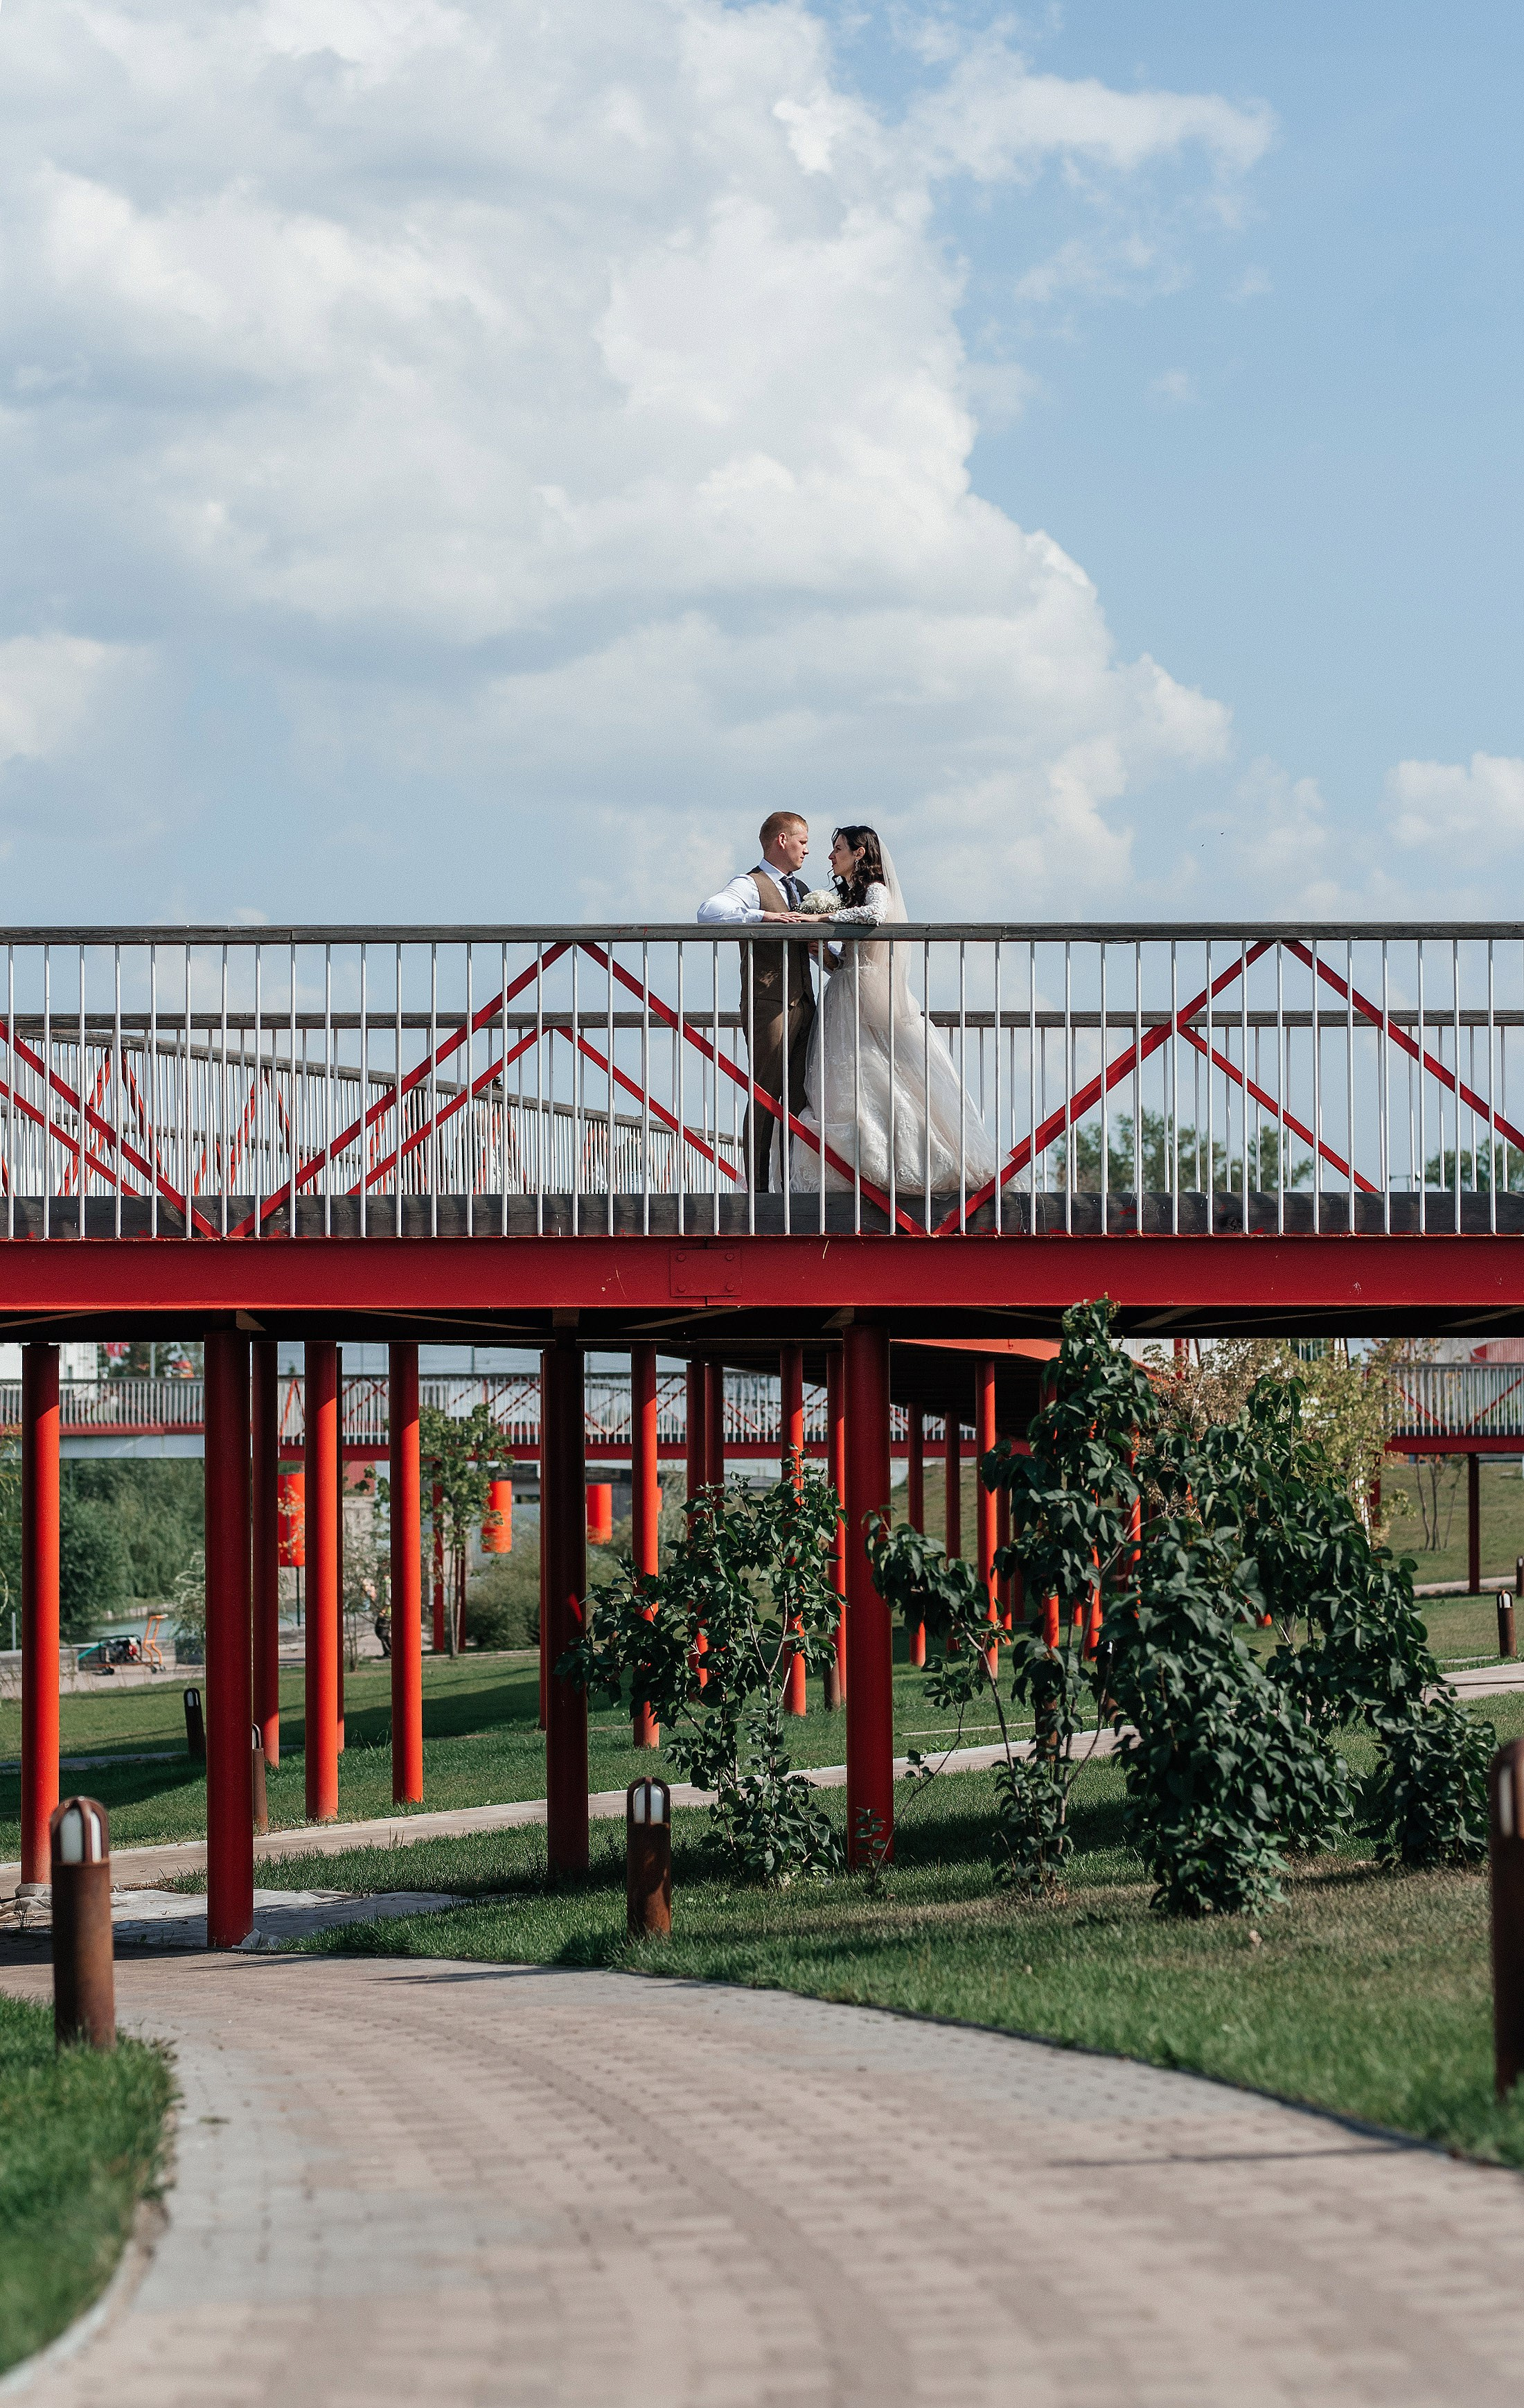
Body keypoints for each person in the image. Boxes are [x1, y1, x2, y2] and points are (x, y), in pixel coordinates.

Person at [784, 826, 999, 1199]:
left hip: (867, 997)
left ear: (860, 853)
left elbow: (874, 916)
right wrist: (823, 955)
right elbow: (846, 963)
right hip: (844, 994)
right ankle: (855, 1165)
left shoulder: (876, 890)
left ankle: (902, 1160)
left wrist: (818, 920)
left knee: (882, 1073)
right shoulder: (851, 896)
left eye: (837, 849)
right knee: (848, 1078)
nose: (831, 857)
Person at [698, 811, 817, 1185]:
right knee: (766, 1092)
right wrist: (761, 917)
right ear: (782, 840)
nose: (807, 851)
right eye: (803, 842)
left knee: (801, 1097)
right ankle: (757, 1186)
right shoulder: (750, 883)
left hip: (804, 1002)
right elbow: (708, 913)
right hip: (768, 1004)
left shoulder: (801, 889)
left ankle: (793, 1183)